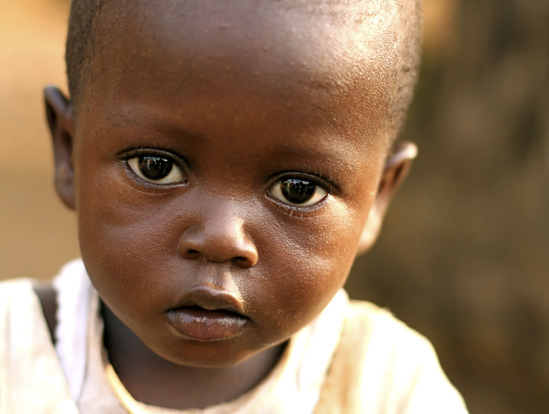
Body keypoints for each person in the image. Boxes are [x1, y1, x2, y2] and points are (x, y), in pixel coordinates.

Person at [0, 0, 468, 412]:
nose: (223, 239)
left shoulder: (387, 388)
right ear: (68, 151)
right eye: (157, 167)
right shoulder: (11, 357)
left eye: (298, 190)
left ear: (378, 196)